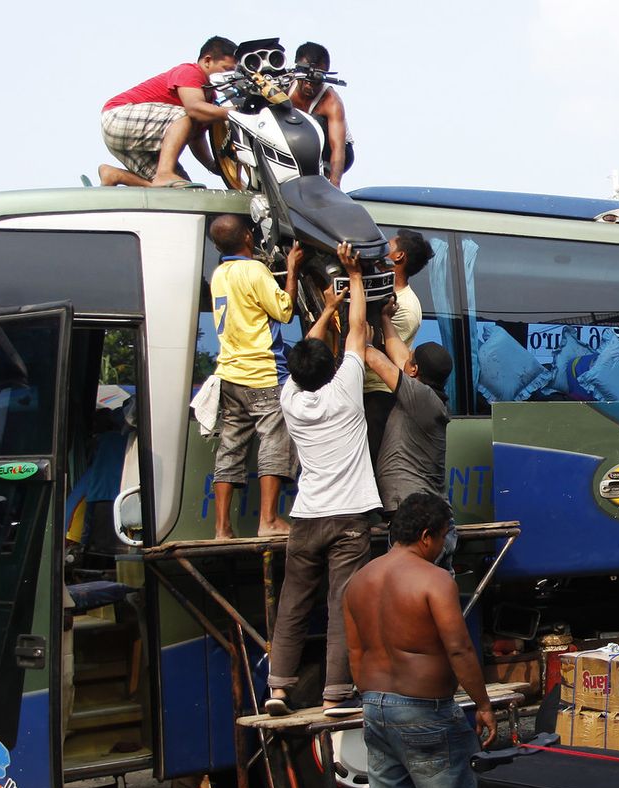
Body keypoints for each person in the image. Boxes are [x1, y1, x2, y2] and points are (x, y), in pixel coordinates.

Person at [343, 491, 508, 788]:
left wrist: (375, 699)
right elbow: (458, 649)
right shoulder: (435, 580)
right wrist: (483, 703)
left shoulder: (358, 581)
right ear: (426, 536)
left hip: (376, 705)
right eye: (444, 535)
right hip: (425, 709)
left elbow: (356, 653)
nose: (446, 544)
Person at [265, 243, 380, 715]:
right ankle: (336, 694)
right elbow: (357, 333)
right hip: (349, 518)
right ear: (328, 368)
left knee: (292, 604)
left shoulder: (289, 400)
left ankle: (277, 690)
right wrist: (352, 279)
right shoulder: (348, 393)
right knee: (341, 606)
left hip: (306, 518)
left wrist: (324, 309)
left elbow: (305, 357)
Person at [207, 215, 302, 539]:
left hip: (229, 374)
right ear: (248, 236)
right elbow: (285, 310)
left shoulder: (219, 274)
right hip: (262, 372)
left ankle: (222, 529)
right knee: (275, 441)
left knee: (231, 447)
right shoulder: (254, 271)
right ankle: (269, 520)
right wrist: (292, 268)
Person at [363, 298, 455, 566]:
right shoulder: (426, 393)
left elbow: (377, 360)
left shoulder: (419, 396)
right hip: (425, 518)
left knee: (418, 592)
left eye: (411, 361)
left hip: (420, 524)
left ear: (414, 371)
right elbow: (401, 356)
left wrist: (365, 339)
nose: (407, 359)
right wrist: (385, 320)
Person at [99, 37, 236, 188]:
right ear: (207, 61)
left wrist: (213, 165)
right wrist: (235, 114)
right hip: (119, 116)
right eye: (226, 69)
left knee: (182, 190)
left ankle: (114, 175)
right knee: (186, 115)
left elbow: (196, 138)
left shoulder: (209, 101)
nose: (229, 77)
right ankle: (164, 173)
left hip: (135, 138)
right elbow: (193, 109)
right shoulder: (190, 72)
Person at [362, 230, 434, 460]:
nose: (381, 248)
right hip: (362, 390)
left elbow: (382, 351)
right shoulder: (376, 288)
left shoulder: (406, 306)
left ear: (399, 256)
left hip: (378, 396)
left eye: (388, 246)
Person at [288, 42, 352, 188]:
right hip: (298, 143)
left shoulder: (331, 101)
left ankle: (323, 175)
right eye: (305, 79)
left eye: (315, 80)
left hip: (333, 151)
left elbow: (338, 147)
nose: (309, 86)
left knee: (314, 122)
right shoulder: (286, 85)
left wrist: (335, 186)